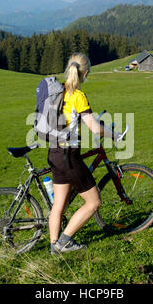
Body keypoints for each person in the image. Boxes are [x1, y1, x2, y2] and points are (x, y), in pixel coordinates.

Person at [48, 52, 123, 254]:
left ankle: (54, 245)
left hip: (54, 152)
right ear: (86, 73)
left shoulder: (58, 91)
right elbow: (95, 128)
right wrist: (114, 135)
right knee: (94, 202)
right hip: (69, 157)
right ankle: (64, 241)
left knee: (59, 204)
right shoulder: (78, 96)